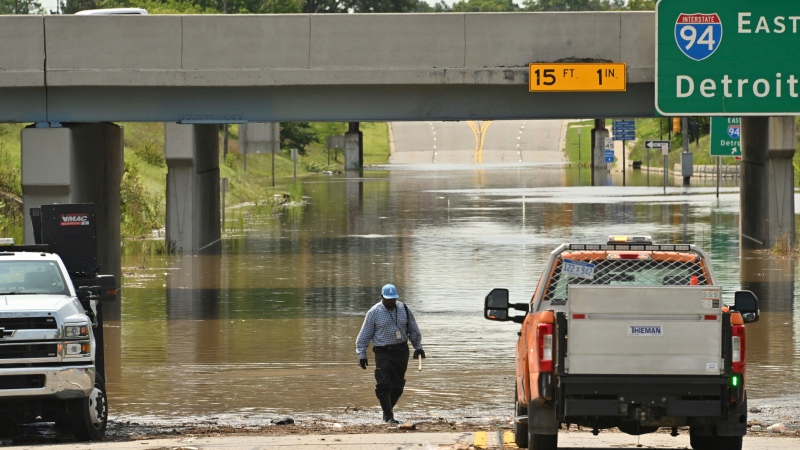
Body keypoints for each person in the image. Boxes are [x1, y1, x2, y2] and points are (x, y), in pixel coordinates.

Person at [356, 284, 425, 424]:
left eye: (393, 299)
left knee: (398, 386)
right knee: (383, 384)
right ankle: (388, 416)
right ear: (382, 297)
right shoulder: (373, 312)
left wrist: (418, 347)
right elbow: (364, 335)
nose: (391, 302)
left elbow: (413, 329)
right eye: (388, 299)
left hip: (401, 351)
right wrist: (361, 354)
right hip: (383, 353)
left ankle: (387, 411)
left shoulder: (404, 309)